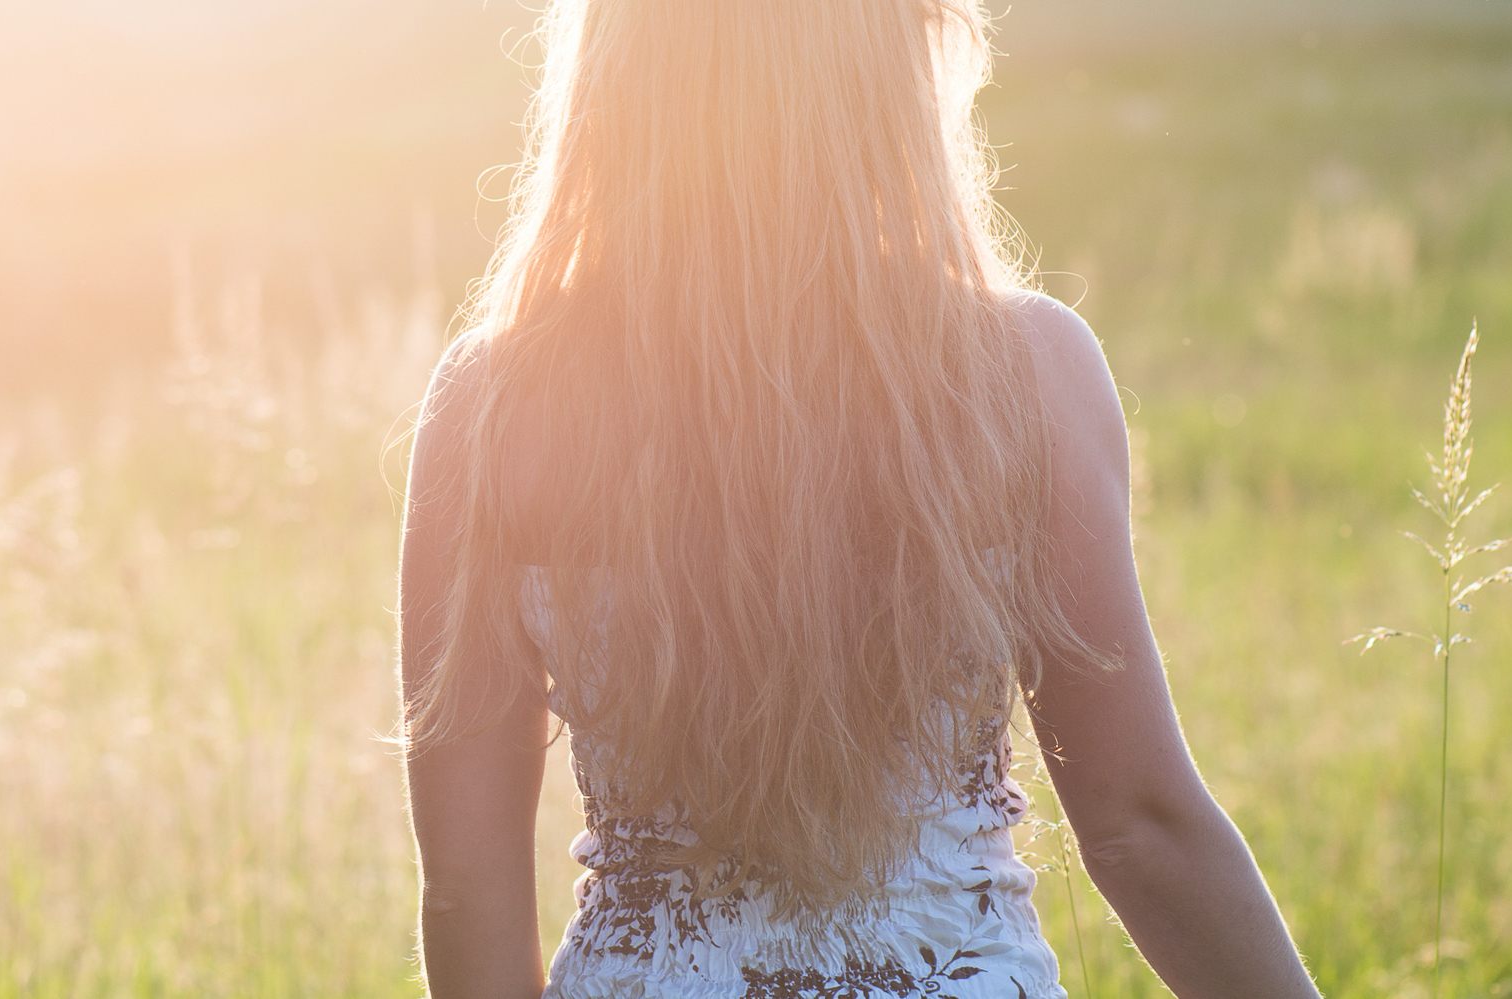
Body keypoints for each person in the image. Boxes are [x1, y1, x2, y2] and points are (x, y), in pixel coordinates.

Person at [394, 1, 1321, 997]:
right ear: (888, 74)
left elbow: (467, 888)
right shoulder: (1024, 377)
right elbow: (1142, 828)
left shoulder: (494, 411)